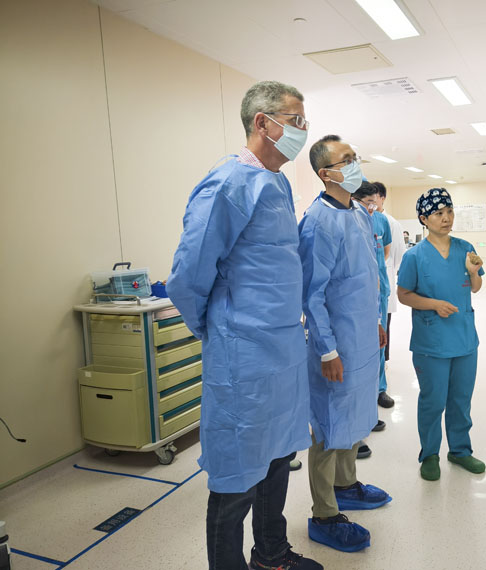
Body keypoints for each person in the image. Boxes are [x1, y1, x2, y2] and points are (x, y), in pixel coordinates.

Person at [166, 81, 321, 570]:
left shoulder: (277, 183)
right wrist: (220, 330)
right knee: (237, 477)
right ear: (262, 122)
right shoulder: (229, 183)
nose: (303, 130)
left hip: (282, 353)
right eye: (296, 121)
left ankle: (271, 554)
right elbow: (187, 277)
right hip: (244, 357)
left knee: (277, 459)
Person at [299, 135, 392, 553]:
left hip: (363, 337)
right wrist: (327, 350)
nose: (355, 164)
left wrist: (376, 322)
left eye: (355, 157)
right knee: (328, 425)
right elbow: (312, 294)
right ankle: (324, 514)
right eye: (346, 160)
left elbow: (367, 275)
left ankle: (347, 485)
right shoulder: (318, 222)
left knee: (356, 414)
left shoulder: (358, 212)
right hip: (335, 343)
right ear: (326, 173)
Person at [397, 188, 486, 481]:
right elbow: (403, 295)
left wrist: (473, 272)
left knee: (461, 400)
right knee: (433, 401)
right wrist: (433, 304)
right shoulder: (414, 256)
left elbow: (476, 287)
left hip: (464, 338)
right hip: (431, 342)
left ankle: (460, 450)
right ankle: (430, 454)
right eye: (438, 213)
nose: (446, 218)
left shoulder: (465, 248)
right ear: (424, 219)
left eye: (449, 211)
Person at [351, 182, 395, 411]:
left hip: (379, 290)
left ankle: (380, 389)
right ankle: (363, 391)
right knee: (359, 344)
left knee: (380, 341)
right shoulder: (349, 219)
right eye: (367, 202)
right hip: (357, 294)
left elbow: (385, 251)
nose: (371, 206)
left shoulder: (381, 220)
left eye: (373, 202)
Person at [374, 181, 406, 405]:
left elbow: (397, 254)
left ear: (382, 198)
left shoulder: (389, 222)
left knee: (383, 329)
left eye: (374, 198)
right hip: (365, 289)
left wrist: (385, 275)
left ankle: (380, 382)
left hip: (384, 281)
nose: (370, 203)